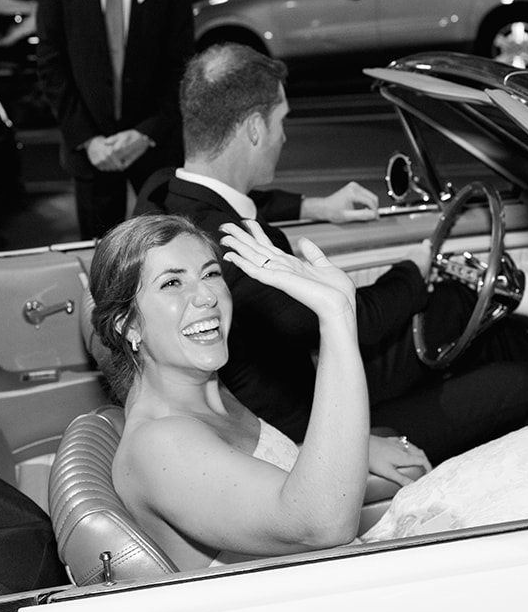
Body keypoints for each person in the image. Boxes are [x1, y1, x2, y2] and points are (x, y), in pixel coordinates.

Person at [159, 43, 528, 464]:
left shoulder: (169, 198)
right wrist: (411, 270)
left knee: (465, 305)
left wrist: (315, 205)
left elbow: (241, 202)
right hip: (316, 424)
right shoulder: (234, 248)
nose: (285, 137)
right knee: (522, 388)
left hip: (310, 374)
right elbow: (347, 318)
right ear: (255, 129)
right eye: (282, 122)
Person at [92, 214, 431, 568]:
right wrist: (336, 317)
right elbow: (321, 525)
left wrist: (354, 447)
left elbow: (245, 469)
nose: (206, 296)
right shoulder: (159, 445)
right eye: (172, 283)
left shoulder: (202, 387)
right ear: (128, 323)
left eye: (210, 274)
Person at [33, 0, 195, 239]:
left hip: (154, 147)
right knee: (100, 252)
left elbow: (181, 62)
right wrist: (88, 140)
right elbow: (51, 63)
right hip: (93, 150)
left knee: (167, 245)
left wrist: (146, 132)